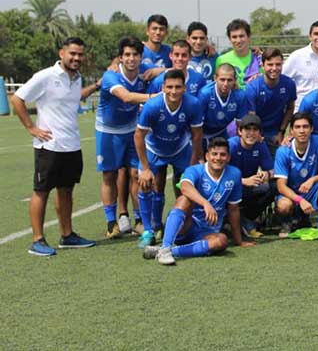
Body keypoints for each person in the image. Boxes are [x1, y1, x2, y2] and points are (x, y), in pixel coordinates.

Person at [11, 37, 98, 256]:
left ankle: (67, 235)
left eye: (80, 54)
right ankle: (37, 240)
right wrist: (31, 127)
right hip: (49, 146)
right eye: (72, 53)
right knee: (41, 191)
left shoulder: (77, 78)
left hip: (72, 145)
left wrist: (97, 85)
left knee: (66, 190)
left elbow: (74, 98)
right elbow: (18, 99)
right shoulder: (46, 76)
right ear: (61, 53)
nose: (76, 58)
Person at [142, 137, 254, 265]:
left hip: (208, 232)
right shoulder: (194, 170)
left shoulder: (234, 174)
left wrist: (238, 240)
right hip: (186, 226)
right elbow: (184, 187)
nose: (218, 158)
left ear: (228, 157)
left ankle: (167, 251)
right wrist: (205, 203)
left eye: (222, 155)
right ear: (207, 156)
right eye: (214, 154)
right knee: (184, 199)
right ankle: (166, 245)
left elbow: (233, 209)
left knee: (221, 241)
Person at [134, 69, 204, 248]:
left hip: (180, 150)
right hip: (154, 149)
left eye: (178, 87)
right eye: (170, 87)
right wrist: (145, 167)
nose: (174, 91)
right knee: (145, 183)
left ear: (184, 88)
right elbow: (138, 136)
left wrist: (194, 163)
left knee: (190, 185)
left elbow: (197, 135)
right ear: (163, 87)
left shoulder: (193, 104)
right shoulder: (152, 105)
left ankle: (187, 227)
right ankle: (150, 229)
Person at [94, 37, 152, 239]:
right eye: (127, 54)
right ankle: (111, 223)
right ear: (120, 57)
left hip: (131, 130)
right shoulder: (111, 76)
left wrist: (160, 72)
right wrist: (155, 97)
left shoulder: (145, 72)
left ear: (140, 57)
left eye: (135, 54)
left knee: (136, 174)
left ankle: (139, 220)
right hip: (108, 132)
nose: (131, 58)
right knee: (109, 175)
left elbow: (171, 71)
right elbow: (127, 97)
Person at [274, 113, 318, 232]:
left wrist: (312, 180)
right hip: (291, 193)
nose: (302, 131)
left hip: (311, 190)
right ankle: (288, 222)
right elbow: (281, 186)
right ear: (291, 131)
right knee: (284, 205)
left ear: (311, 129)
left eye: (305, 126)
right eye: (297, 127)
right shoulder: (283, 151)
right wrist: (300, 200)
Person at [228, 114, 276, 239]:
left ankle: (245, 218)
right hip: (229, 188)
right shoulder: (231, 146)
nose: (251, 133)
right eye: (247, 129)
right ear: (239, 131)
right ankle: (231, 220)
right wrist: (243, 181)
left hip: (248, 189)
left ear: (260, 133)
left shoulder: (260, 145)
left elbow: (272, 170)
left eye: (255, 130)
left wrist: (266, 174)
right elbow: (218, 174)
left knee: (272, 187)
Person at [245, 47, 297, 154]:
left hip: (276, 134)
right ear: (263, 65)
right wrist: (256, 135)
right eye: (270, 64)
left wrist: (281, 131)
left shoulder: (289, 84)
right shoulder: (253, 87)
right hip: (256, 134)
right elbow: (251, 115)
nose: (274, 68)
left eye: (278, 64)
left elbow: (290, 107)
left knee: (278, 167)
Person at [197, 63, 247, 146]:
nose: (226, 84)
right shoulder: (205, 94)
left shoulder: (240, 95)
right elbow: (197, 127)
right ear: (215, 78)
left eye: (229, 80)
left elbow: (240, 126)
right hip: (202, 134)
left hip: (221, 132)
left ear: (235, 79)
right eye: (222, 79)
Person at [215, 19, 261, 89]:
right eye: (234, 37)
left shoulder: (259, 58)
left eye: (241, 36)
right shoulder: (221, 60)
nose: (238, 40)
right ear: (229, 38)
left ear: (249, 36)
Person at [140, 14, 171, 80]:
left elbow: (179, 70)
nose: (158, 32)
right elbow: (121, 59)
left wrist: (161, 70)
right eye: (154, 29)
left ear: (166, 33)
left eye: (161, 29)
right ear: (147, 31)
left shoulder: (169, 51)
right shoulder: (138, 48)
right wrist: (115, 63)